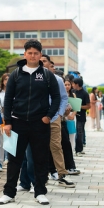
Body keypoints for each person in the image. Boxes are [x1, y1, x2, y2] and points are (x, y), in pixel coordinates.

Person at [0, 39, 60, 205]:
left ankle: (40, 192)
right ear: (24, 54)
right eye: (29, 53)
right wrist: (7, 122)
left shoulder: (47, 75)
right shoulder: (16, 75)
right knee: (14, 159)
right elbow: (8, 99)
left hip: (40, 123)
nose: (32, 56)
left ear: (40, 55)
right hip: (17, 123)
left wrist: (49, 116)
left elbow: (57, 97)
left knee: (40, 159)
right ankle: (9, 193)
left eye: (36, 53)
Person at [40, 54, 75, 187]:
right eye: (40, 61)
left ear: (50, 64)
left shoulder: (57, 79)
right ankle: (42, 176)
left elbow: (64, 98)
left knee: (56, 146)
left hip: (54, 117)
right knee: (39, 148)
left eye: (45, 61)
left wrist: (60, 114)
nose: (42, 63)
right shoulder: (33, 78)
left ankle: (62, 174)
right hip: (37, 118)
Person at [72, 78, 90, 156]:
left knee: (79, 133)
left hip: (81, 116)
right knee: (73, 133)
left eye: (73, 84)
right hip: (72, 115)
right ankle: (75, 148)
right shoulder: (72, 92)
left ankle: (79, 150)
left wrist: (79, 106)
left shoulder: (85, 94)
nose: (72, 85)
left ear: (77, 84)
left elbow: (88, 106)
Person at [0, 73, 10, 170]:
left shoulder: (15, 91)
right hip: (1, 116)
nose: (7, 81)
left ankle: (9, 158)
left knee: (10, 138)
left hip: (11, 116)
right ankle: (0, 162)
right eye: (5, 79)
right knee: (1, 140)